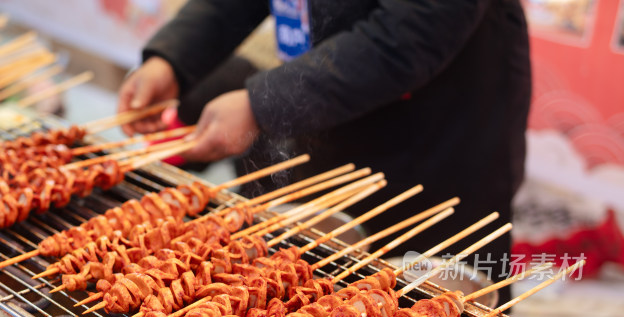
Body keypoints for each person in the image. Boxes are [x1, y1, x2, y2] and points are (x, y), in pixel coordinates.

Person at [117, 1, 532, 301]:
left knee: (436, 312)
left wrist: (262, 104)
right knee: (320, 285)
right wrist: (171, 58)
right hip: (330, 106)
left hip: (443, 132)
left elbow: (417, 26)